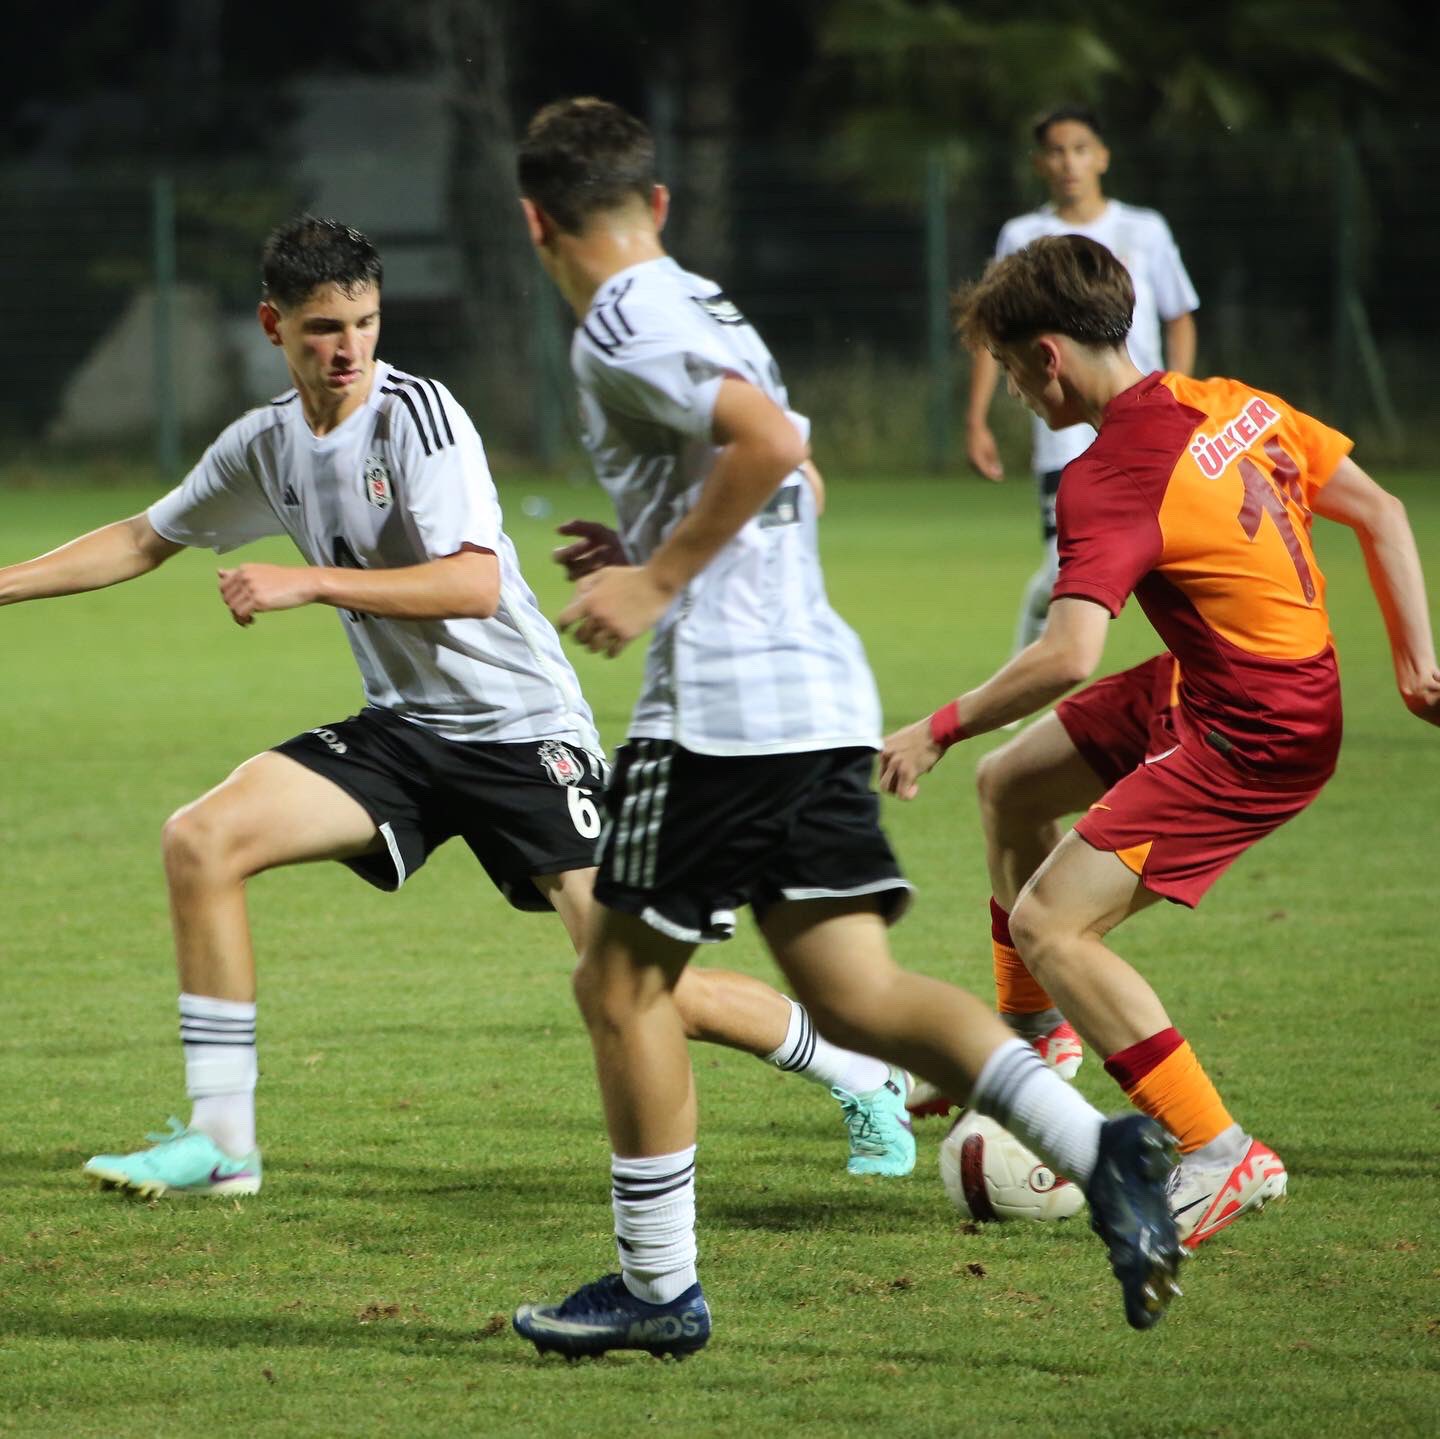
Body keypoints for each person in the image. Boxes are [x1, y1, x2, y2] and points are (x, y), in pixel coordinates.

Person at [0, 216, 919, 1197]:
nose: (348, 347)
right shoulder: (265, 442)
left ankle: (861, 1069)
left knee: (647, 985)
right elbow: (144, 536)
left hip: (524, 736)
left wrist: (310, 583)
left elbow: (473, 585)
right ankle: (224, 1139)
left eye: (364, 320)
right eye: (321, 327)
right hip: (402, 730)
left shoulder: (417, 418)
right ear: (273, 325)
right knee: (201, 839)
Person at [510, 96, 1182, 1358]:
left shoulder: (621, 317)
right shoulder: (706, 301)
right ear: (657, 203)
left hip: (718, 708)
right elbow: (800, 466)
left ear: (535, 218)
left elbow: (764, 448)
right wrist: (659, 539)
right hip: (813, 690)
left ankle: (657, 1288)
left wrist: (657, 583)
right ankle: (1105, 1148)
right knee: (851, 988)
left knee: (618, 979)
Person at [882, 233, 1440, 1249]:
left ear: (1048, 355)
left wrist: (938, 725)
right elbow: (1384, 510)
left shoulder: (1112, 474)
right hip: (1225, 681)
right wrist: (1414, 665)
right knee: (1013, 786)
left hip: (1254, 728)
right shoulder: (1233, 401)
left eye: (1010, 370)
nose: (1013, 391)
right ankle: (1034, 1031)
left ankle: (1221, 1150)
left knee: (1054, 922)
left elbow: (1066, 655)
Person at [966, 104, 1198, 654]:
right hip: (1063, 425)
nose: (1068, 162)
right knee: (1060, 572)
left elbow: (1179, 315)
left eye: (1079, 149)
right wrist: (976, 418)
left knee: (1180, 556)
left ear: (1102, 157)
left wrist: (1178, 393)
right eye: (1055, 151)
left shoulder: (1143, 229)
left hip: (1144, 418)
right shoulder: (1023, 234)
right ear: (1039, 163)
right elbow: (993, 332)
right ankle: (1020, 681)